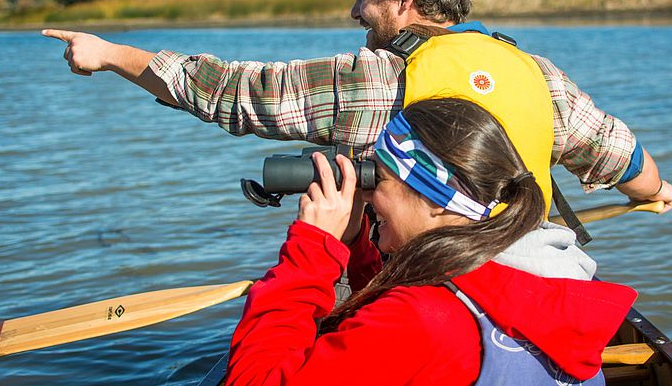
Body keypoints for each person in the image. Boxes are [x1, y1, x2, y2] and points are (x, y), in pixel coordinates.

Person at [42, 0, 672, 211]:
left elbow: (223, 90)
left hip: (418, 291)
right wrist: (658, 192)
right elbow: (633, 166)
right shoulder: (540, 77)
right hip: (525, 275)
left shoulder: (364, 81)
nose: (354, 14)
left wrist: (108, 53)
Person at [224, 98, 637, 386]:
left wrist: (310, 252)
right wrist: (355, 246)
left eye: (378, 179)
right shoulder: (545, 274)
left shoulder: (422, 321)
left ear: (439, 201)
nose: (366, 195)